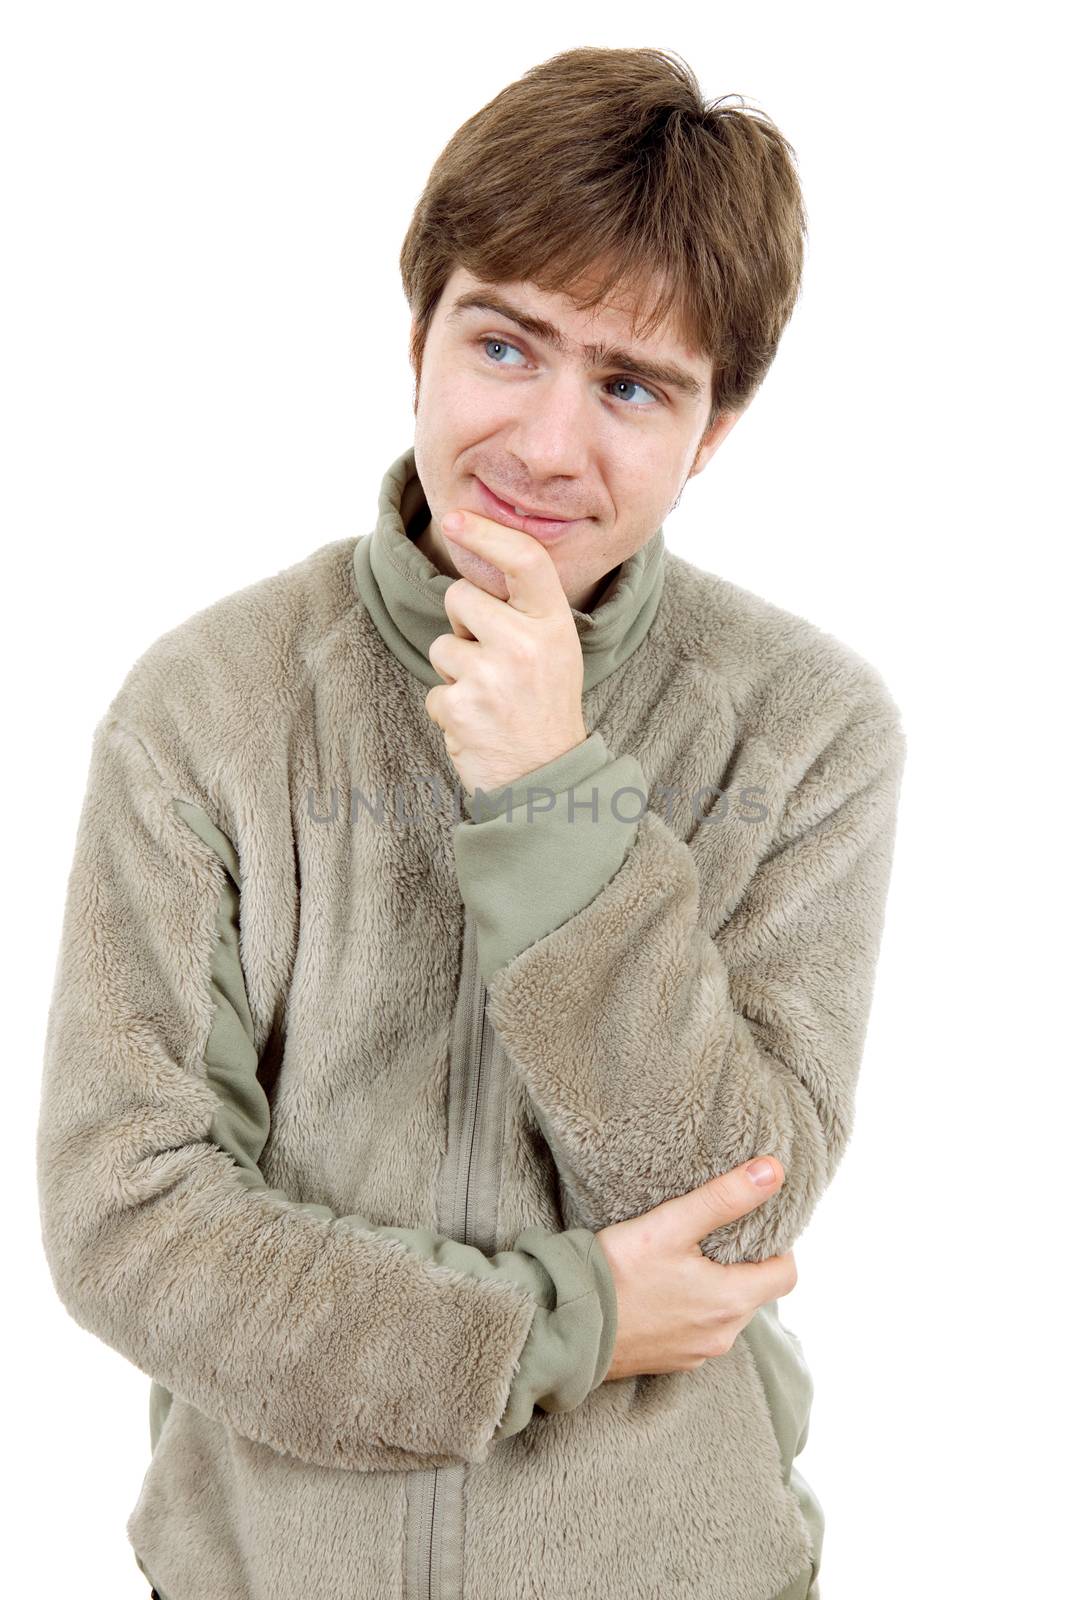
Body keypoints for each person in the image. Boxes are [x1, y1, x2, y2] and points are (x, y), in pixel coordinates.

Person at [36, 44, 905, 1600]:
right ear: (420, 333)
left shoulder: (807, 730)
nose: (549, 445)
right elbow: (129, 1223)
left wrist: (553, 794)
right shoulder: (208, 707)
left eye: (633, 386)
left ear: (715, 427)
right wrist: (555, 1319)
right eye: (508, 346)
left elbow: (728, 1210)